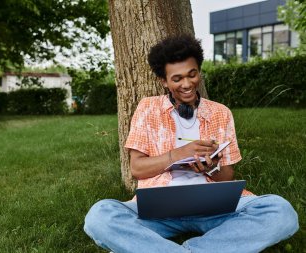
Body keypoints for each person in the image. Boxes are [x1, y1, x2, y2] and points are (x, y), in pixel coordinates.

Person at [84, 34, 299, 253]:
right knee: (99, 216)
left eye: (192, 74)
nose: (187, 84)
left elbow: (228, 175)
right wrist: (177, 154)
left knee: (281, 212)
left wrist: (212, 168)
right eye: (177, 79)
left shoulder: (220, 112)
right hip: (160, 212)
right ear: (164, 81)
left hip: (214, 209)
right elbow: (137, 169)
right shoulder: (147, 108)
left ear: (199, 71)